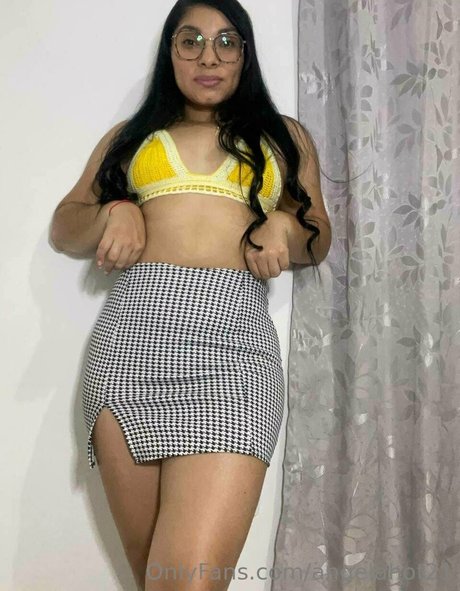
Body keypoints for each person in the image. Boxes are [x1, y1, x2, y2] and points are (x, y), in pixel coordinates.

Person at [50, 0, 331, 589]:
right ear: (170, 52)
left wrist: (285, 225)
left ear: (245, 55)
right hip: (129, 349)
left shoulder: (284, 137)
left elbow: (319, 238)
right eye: (191, 41)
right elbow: (65, 226)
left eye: (227, 42)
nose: (209, 57)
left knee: (186, 582)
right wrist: (115, 210)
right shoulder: (130, 138)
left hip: (233, 355)